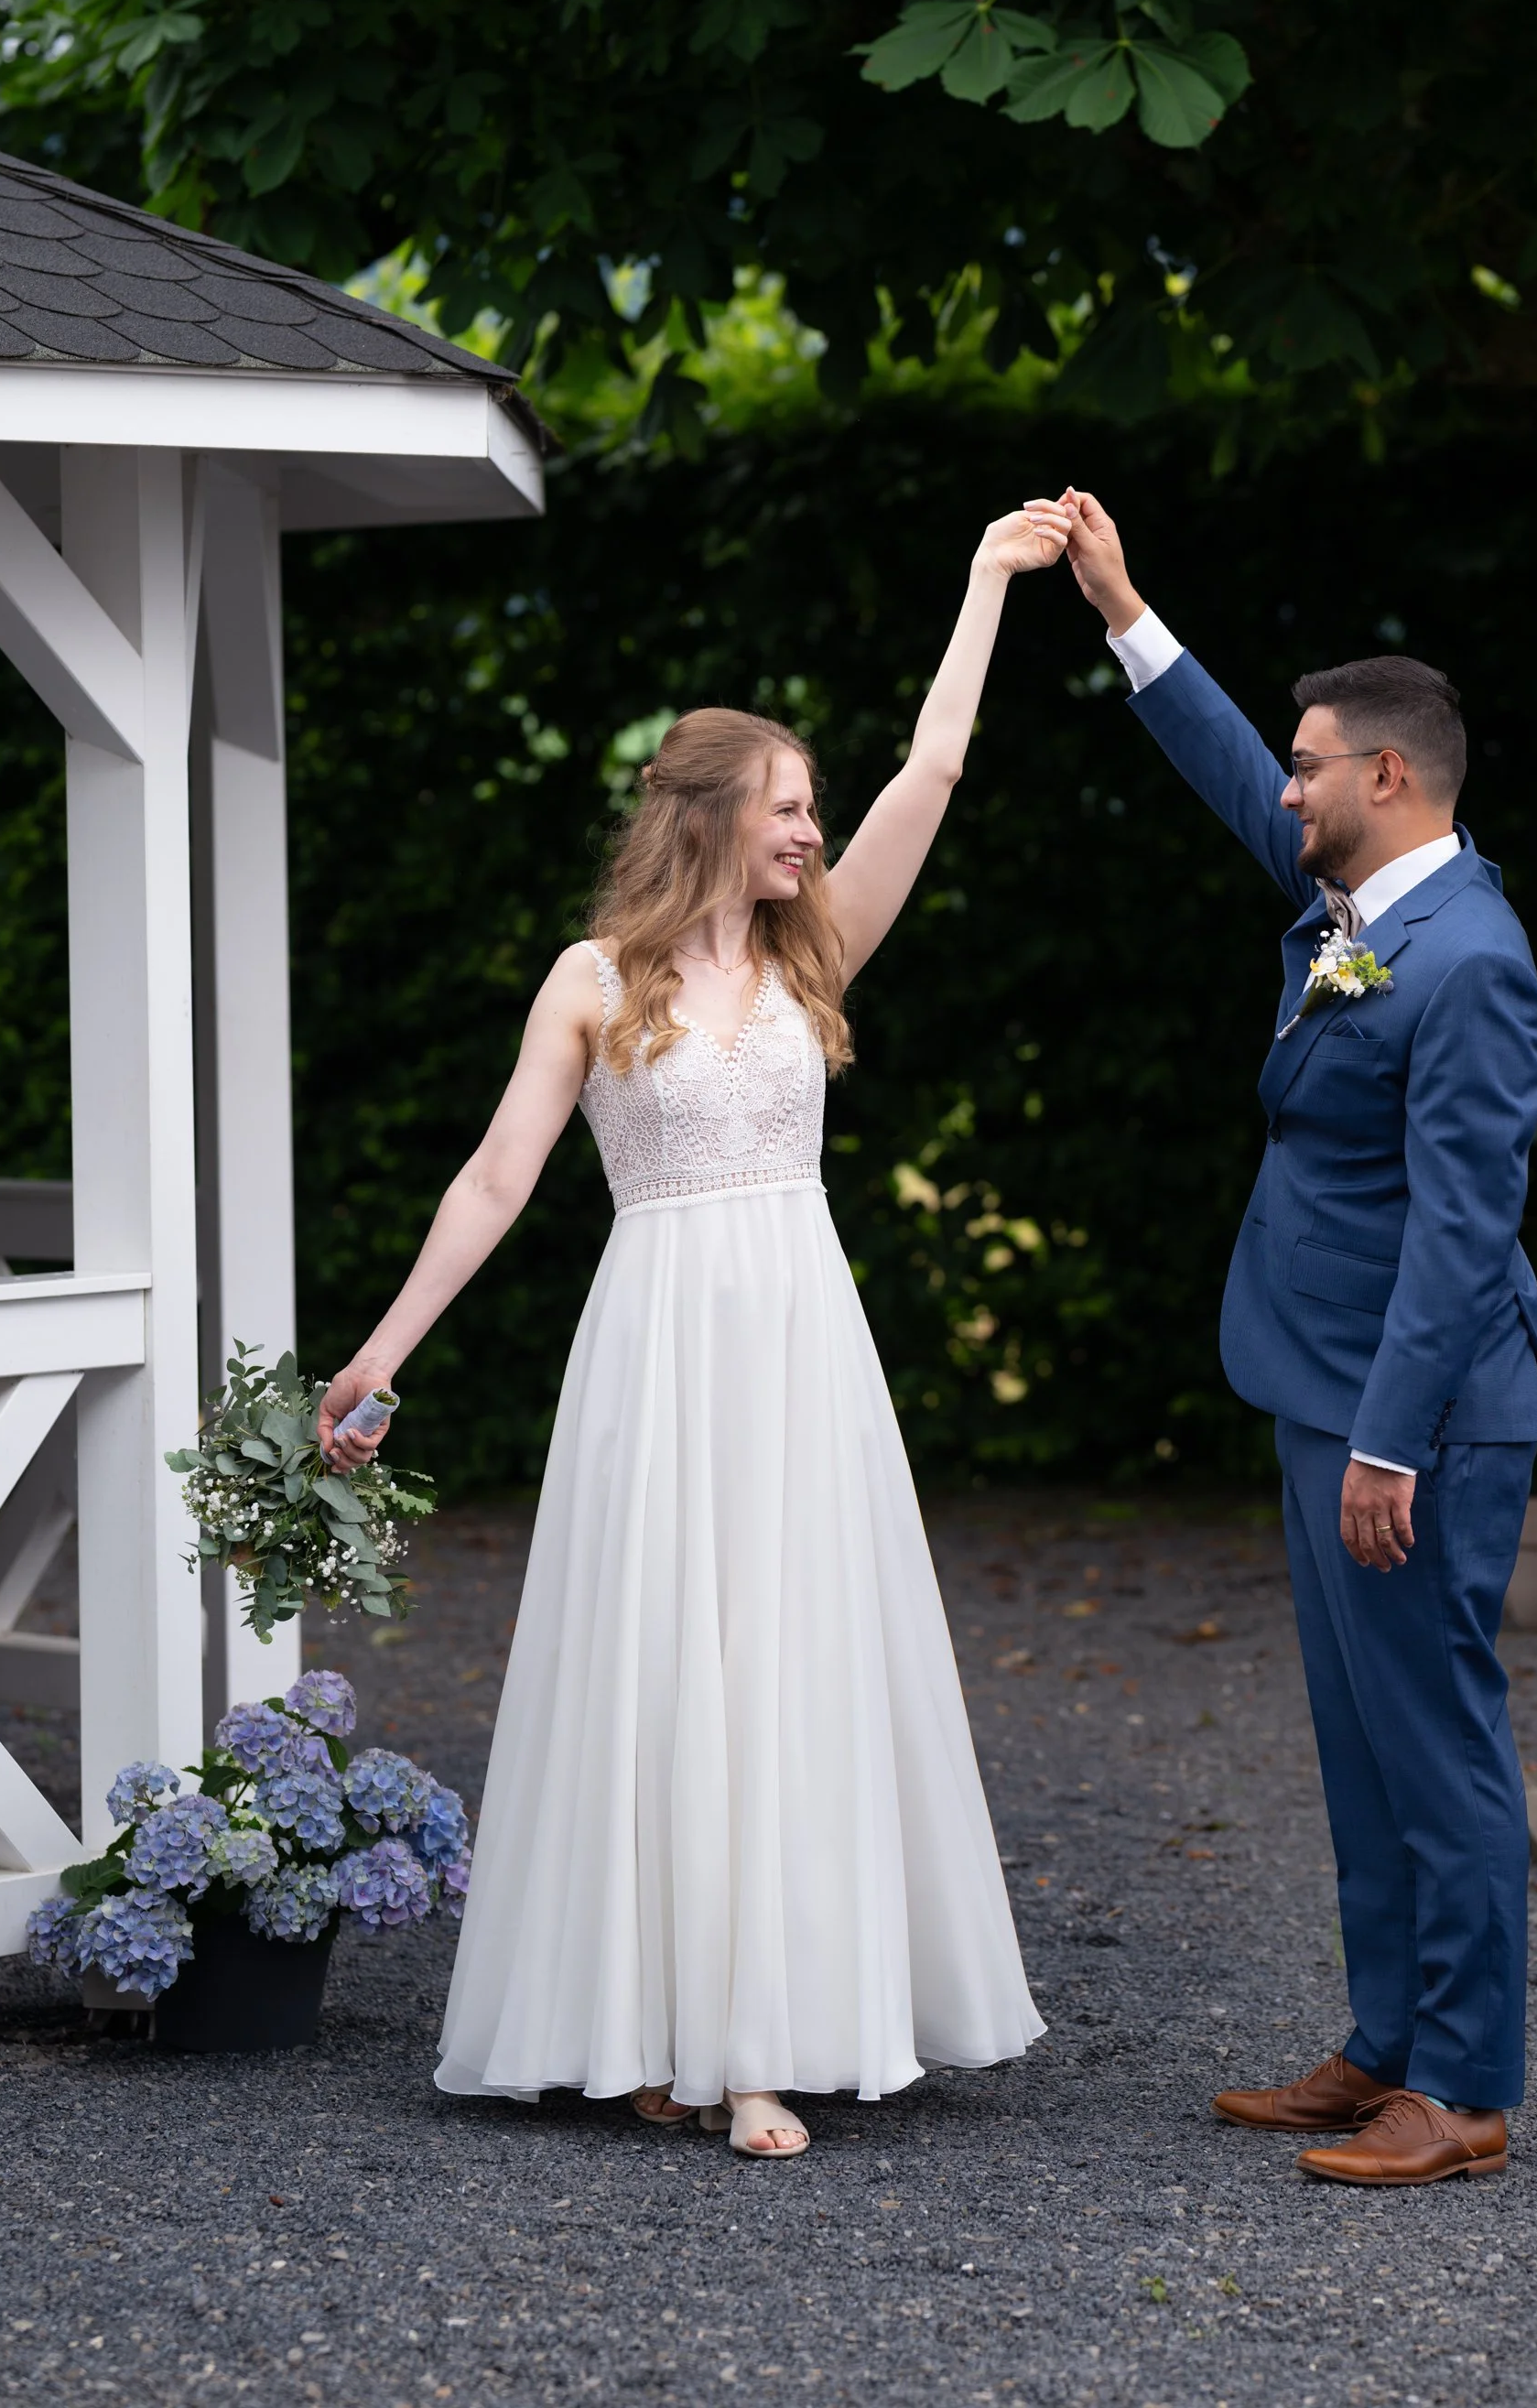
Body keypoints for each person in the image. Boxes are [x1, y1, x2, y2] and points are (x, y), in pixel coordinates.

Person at [316, 504, 1066, 2159]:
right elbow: (499, 1178)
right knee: (661, 1675)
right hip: (657, 1347)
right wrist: (384, 1352)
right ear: (718, 815)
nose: (809, 831)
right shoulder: (592, 981)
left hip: (798, 1339)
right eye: (789, 807)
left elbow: (931, 775)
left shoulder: (819, 954)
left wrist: (983, 581)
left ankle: (754, 2048)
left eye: (811, 809)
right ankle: (652, 2028)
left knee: (784, 1665)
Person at [1060, 487, 1537, 2190]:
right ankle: (1388, 2048)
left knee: (1439, 1737)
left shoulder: (1471, 962)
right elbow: (1226, 772)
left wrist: (1388, 1442)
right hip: (1316, 1379)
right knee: (1359, 1745)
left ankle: (1471, 2090)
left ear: (1393, 781)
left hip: (1412, 1415)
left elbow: (1463, 1227)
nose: (1285, 787)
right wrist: (1126, 609)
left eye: (1311, 764)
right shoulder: (1363, 904)